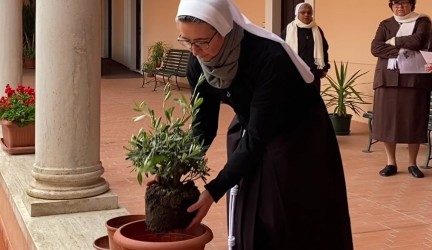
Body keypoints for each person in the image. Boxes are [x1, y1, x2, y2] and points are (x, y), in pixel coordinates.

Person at [174, 0, 353, 249]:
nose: (194, 50)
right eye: (186, 41)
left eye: (202, 41)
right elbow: (204, 126)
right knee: (252, 211)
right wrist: (175, 168)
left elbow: (258, 135)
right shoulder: (199, 64)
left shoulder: (268, 57)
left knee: (286, 216)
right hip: (255, 125)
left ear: (224, 29)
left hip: (299, 137)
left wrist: (214, 191)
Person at [371, 0, 431, 179]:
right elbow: (375, 48)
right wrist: (401, 50)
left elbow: (419, 40)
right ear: (391, 6)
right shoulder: (385, 24)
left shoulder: (423, 22)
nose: (400, 7)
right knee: (387, 121)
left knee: (413, 120)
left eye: (404, 3)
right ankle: (391, 162)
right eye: (396, 4)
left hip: (414, 78)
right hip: (387, 78)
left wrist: (393, 41)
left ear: (412, 5)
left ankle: (412, 163)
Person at [281, 2, 330, 92]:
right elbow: (281, 49)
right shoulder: (289, 29)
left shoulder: (317, 30)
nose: (306, 15)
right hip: (294, 71)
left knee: (312, 100)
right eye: (303, 12)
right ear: (297, 13)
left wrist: (325, 68)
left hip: (313, 72)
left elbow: (324, 49)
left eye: (309, 12)